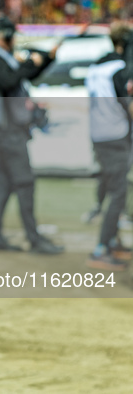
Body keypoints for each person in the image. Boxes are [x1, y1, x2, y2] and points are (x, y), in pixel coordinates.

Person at [0, 16, 64, 254]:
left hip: (7, 131)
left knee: (5, 184)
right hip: (7, 132)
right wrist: (31, 62)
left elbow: (25, 75)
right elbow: (10, 80)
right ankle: (33, 239)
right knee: (24, 183)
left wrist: (46, 59)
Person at [84, 22, 133, 270]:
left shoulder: (97, 67)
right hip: (116, 135)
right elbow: (127, 105)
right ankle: (101, 249)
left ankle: (112, 241)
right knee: (118, 194)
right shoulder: (120, 69)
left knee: (113, 188)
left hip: (99, 134)